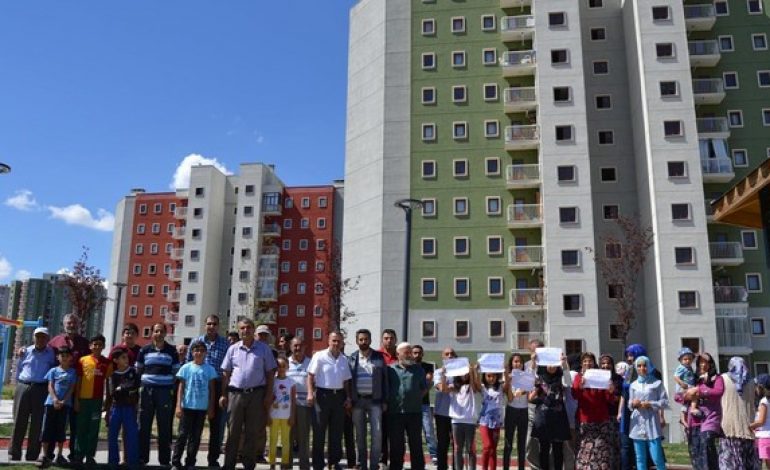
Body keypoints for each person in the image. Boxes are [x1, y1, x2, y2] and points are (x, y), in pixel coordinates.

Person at [220, 318, 277, 470]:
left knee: (252, 432)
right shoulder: (233, 349)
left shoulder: (264, 349)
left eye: (249, 327)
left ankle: (249, 465)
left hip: (256, 394)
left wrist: (268, 395)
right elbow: (226, 373)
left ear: (253, 330)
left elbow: (270, 373)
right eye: (243, 328)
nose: (246, 330)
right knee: (233, 431)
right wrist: (223, 394)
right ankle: (229, 464)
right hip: (235, 394)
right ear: (239, 331)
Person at [186, 314, 230, 468]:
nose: (212, 326)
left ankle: (213, 460)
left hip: (217, 387)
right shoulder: (195, 342)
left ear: (218, 326)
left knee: (216, 427)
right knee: (194, 427)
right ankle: (190, 460)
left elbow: (226, 371)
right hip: (197, 386)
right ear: (205, 325)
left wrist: (224, 393)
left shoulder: (225, 344)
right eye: (209, 323)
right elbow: (187, 365)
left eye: (215, 324)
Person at [136, 323, 180, 467]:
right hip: (147, 391)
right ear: (152, 333)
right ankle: (142, 458)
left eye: (161, 331)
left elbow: (175, 373)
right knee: (144, 425)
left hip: (164, 392)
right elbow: (139, 370)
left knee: (165, 426)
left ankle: (164, 460)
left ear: (165, 333)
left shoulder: (172, 351)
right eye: (156, 331)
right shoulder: (144, 350)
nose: (159, 333)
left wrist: (167, 386)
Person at [307, 331, 352, 470]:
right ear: (328, 341)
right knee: (319, 431)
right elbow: (310, 376)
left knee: (336, 432)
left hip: (338, 397)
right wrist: (310, 393)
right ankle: (318, 464)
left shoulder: (344, 359)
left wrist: (348, 397)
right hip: (322, 396)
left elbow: (346, 382)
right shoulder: (319, 356)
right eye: (334, 341)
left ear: (342, 343)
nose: (336, 344)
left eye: (339, 341)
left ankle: (333, 463)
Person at [48, 313, 90, 462]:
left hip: (76, 390)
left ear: (78, 325)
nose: (71, 325)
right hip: (58, 391)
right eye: (69, 323)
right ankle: (50, 454)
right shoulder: (54, 342)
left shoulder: (85, 343)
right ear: (64, 324)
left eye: (74, 323)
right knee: (55, 423)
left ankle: (74, 454)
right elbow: (46, 359)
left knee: (75, 424)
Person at [10, 327, 56, 463]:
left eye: (43, 337)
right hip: (24, 386)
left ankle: (32, 455)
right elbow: (19, 369)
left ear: (48, 339)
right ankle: (14, 453)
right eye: (38, 336)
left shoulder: (51, 353)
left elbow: (52, 369)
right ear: (33, 337)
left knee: (37, 423)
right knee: (19, 420)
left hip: (41, 389)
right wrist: (20, 385)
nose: (40, 339)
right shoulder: (25, 351)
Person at [172, 340, 218, 470]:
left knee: (195, 436)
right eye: (196, 350)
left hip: (201, 408)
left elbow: (212, 390)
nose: (199, 353)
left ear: (206, 353)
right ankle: (176, 462)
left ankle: (190, 462)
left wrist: (211, 407)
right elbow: (181, 387)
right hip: (187, 407)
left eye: (202, 351)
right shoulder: (186, 368)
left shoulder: (209, 369)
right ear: (192, 352)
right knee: (182, 435)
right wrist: (178, 406)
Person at [348, 328, 388, 470]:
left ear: (370, 340)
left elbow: (385, 380)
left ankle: (373, 465)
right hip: (357, 401)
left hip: (375, 401)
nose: (363, 342)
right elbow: (347, 381)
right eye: (361, 339)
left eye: (366, 339)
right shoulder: (352, 358)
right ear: (357, 341)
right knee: (360, 435)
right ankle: (362, 465)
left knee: (377, 434)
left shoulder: (378, 357)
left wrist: (384, 400)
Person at [572, 352, 617, 470]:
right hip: (585, 420)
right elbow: (574, 395)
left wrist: (611, 391)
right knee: (584, 451)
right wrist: (579, 387)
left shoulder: (602, 376)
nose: (588, 363)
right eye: (585, 361)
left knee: (601, 452)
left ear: (594, 363)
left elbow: (610, 399)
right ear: (582, 364)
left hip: (602, 419)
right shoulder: (578, 377)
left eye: (590, 361)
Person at [386, 342, 426, 470]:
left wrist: (414, 397)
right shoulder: (390, 369)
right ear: (398, 354)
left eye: (410, 352)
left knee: (416, 443)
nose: (409, 355)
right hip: (395, 412)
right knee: (396, 444)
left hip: (414, 412)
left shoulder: (418, 369)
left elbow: (424, 388)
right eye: (406, 352)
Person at [73, 334, 112, 466]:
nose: (97, 347)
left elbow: (108, 383)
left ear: (103, 347)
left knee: (93, 429)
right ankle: (79, 454)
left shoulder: (107, 363)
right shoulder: (82, 360)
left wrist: (107, 402)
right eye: (94, 344)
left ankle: (90, 455)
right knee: (81, 428)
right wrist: (77, 400)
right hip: (83, 400)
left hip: (97, 401)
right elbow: (78, 381)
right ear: (90, 346)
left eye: (100, 344)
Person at [529, 354, 571, 470]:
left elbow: (568, 383)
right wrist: (533, 362)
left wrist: (564, 365)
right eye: (549, 364)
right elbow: (530, 378)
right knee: (544, 448)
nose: (552, 367)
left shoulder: (561, 376)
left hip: (558, 418)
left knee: (558, 450)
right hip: (543, 419)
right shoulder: (540, 377)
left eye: (554, 364)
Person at [718, 356, 760, 469]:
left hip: (729, 425)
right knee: (747, 461)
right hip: (748, 426)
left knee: (730, 461)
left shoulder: (723, 378)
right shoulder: (752, 382)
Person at [682, 352, 722, 470]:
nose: (703, 365)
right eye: (700, 362)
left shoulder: (717, 378)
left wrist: (699, 391)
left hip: (710, 418)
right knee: (696, 452)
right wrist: (688, 395)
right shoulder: (694, 379)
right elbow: (678, 396)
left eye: (705, 362)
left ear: (711, 364)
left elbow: (718, 392)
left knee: (706, 446)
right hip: (694, 422)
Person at [628, 355, 668, 470]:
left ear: (649, 366)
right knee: (640, 458)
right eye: (639, 366)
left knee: (657, 457)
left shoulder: (657, 383)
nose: (642, 368)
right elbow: (629, 404)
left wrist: (651, 404)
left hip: (652, 422)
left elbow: (664, 402)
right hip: (637, 422)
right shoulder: (633, 385)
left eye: (644, 365)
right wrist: (633, 404)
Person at [39, 347, 77, 468]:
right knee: (47, 428)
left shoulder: (72, 372)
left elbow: (71, 388)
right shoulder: (53, 371)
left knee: (61, 429)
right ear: (58, 357)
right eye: (62, 355)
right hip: (51, 403)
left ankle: (59, 454)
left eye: (67, 355)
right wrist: (55, 399)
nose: (64, 357)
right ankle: (44, 454)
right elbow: (50, 386)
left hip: (65, 405)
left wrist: (63, 401)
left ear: (71, 358)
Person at [440, 360, 481, 470]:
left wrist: (472, 371)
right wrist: (443, 375)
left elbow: (474, 386)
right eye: (463, 373)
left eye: (466, 373)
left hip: (470, 421)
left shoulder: (473, 387)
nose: (465, 375)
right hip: (456, 421)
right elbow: (444, 389)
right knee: (457, 449)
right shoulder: (454, 386)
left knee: (471, 449)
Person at [104, 347, 140, 470]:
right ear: (115, 360)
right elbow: (113, 392)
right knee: (112, 435)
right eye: (123, 357)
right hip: (116, 408)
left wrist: (123, 389)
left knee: (132, 434)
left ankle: (132, 462)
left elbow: (134, 387)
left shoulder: (133, 372)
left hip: (129, 407)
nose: (126, 359)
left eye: (127, 357)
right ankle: (113, 462)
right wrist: (124, 389)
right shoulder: (112, 376)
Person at [286, 337, 312, 468]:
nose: (297, 348)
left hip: (304, 405)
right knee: (288, 436)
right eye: (295, 346)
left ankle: (304, 465)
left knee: (303, 437)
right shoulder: (285, 363)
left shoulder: (311, 363)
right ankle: (287, 464)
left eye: (300, 346)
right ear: (290, 347)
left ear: (305, 347)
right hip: (287, 406)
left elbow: (315, 382)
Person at [412, 344, 438, 464]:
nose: (417, 355)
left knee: (428, 431)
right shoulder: (408, 366)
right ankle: (416, 456)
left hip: (424, 404)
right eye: (415, 352)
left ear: (422, 354)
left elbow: (428, 382)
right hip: (409, 405)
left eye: (419, 353)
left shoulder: (427, 366)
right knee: (413, 433)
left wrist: (419, 396)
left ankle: (434, 454)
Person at [503, 353, 529, 470]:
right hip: (511, 410)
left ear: (522, 364)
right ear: (511, 363)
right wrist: (508, 382)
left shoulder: (526, 376)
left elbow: (527, 391)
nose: (517, 363)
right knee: (508, 442)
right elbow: (510, 398)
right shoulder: (508, 377)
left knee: (521, 443)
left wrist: (523, 391)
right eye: (515, 361)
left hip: (523, 411)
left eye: (519, 361)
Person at [269, 357, 296, 469]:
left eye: (283, 366)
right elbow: (269, 397)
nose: (281, 369)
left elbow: (293, 400)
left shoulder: (291, 382)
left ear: (288, 367)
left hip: (286, 416)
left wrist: (292, 415)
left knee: (286, 441)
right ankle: (272, 463)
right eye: (279, 366)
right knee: (273, 440)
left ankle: (284, 463)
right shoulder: (272, 381)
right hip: (274, 415)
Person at [434, 348, 456, 470]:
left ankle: (456, 466)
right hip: (442, 413)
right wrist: (453, 385)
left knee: (456, 445)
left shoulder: (461, 373)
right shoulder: (438, 372)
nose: (450, 356)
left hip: (457, 413)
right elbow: (442, 388)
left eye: (452, 354)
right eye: (446, 354)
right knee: (442, 443)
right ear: (443, 358)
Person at [377, 328, 397, 468]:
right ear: (382, 340)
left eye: (391, 338)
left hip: (397, 400)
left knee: (396, 433)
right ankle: (383, 460)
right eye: (386, 338)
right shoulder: (377, 355)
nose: (388, 340)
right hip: (381, 400)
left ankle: (396, 461)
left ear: (395, 339)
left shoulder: (401, 354)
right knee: (382, 432)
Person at [478, 366, 504, 470]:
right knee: (487, 446)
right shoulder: (482, 387)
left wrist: (505, 370)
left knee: (493, 449)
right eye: (488, 376)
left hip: (496, 422)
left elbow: (507, 380)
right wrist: (475, 370)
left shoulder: (501, 387)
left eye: (493, 376)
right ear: (484, 376)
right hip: (484, 421)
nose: (491, 378)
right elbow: (474, 382)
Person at [673, 347, 699, 425]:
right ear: (680, 360)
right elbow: (675, 376)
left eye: (690, 359)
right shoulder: (681, 367)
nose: (688, 361)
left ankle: (683, 418)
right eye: (685, 359)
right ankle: (693, 408)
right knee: (695, 395)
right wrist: (681, 383)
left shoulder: (689, 367)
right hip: (684, 387)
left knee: (686, 404)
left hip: (688, 387)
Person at [752, 374, 770, 468]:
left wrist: (749, 426)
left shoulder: (764, 401)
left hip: (764, 436)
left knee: (766, 465)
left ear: (761, 387)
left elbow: (761, 421)